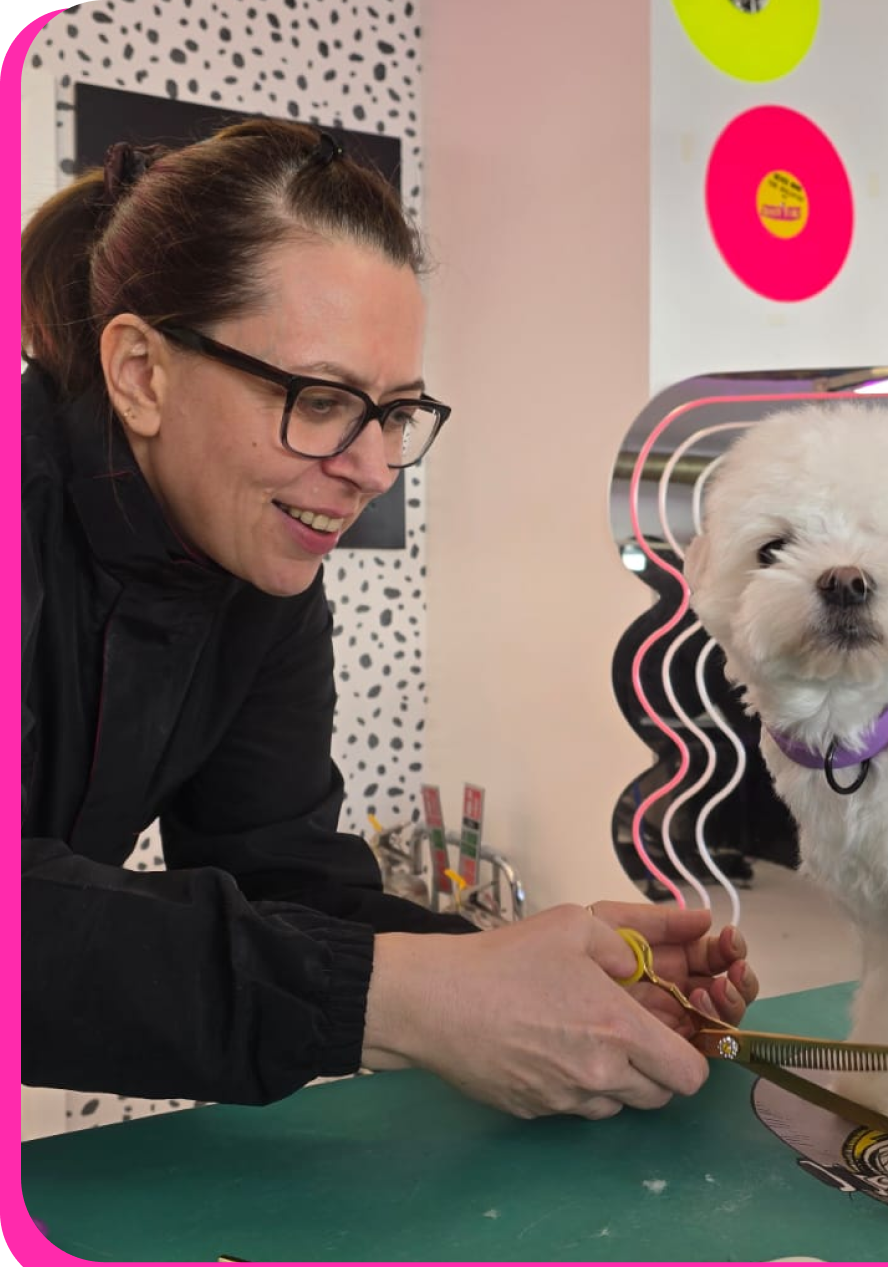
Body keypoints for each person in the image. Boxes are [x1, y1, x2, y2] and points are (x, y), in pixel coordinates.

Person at [21, 119, 758, 1121]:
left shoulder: (259, 574)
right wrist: (398, 999)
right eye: (321, 399)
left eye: (397, 412)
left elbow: (277, 867)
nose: (370, 470)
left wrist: (513, 972)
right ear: (142, 373)